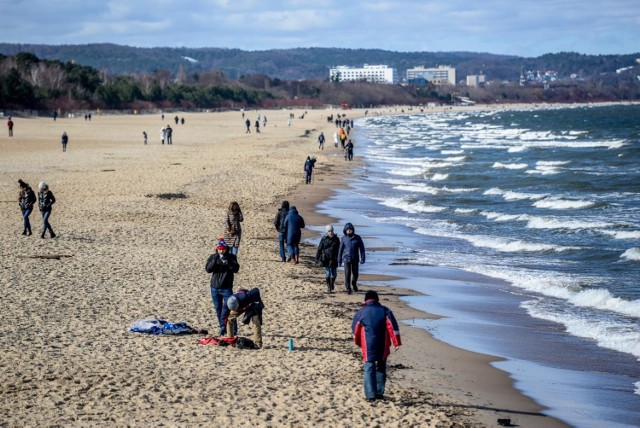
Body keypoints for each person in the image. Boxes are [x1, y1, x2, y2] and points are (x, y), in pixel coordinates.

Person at [352, 290, 401, 401]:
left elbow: (356, 328)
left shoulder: (361, 311)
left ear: (366, 300)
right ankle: (379, 393)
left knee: (369, 366)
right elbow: (392, 327)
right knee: (381, 366)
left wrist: (357, 342)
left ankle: (370, 395)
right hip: (382, 344)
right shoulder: (385, 311)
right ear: (377, 299)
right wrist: (396, 342)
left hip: (368, 344)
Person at [205, 238, 240, 335]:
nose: (221, 251)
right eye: (219, 249)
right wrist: (216, 258)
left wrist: (228, 261)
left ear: (226, 248)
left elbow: (236, 269)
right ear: (217, 249)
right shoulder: (213, 257)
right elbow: (208, 269)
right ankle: (222, 327)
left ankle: (234, 328)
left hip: (226, 288)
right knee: (218, 308)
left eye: (223, 249)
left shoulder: (231, 257)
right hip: (215, 287)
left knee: (231, 307)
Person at [338, 222, 365, 294]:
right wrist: (339, 260)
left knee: (355, 274)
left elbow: (362, 248)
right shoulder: (343, 238)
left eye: (350, 230)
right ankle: (348, 288)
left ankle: (354, 283)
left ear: (353, 230)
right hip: (346, 259)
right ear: (345, 231)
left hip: (355, 259)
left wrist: (363, 258)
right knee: (347, 274)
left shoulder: (358, 238)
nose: (349, 231)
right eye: (347, 230)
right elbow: (340, 250)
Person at [316, 225, 340, 292]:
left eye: (331, 231)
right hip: (325, 258)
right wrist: (317, 258)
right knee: (328, 273)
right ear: (327, 231)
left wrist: (340, 257)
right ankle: (329, 286)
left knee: (334, 273)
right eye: (329, 231)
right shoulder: (324, 239)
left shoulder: (336, 239)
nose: (331, 232)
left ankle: (332, 283)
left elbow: (339, 249)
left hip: (334, 258)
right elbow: (320, 248)